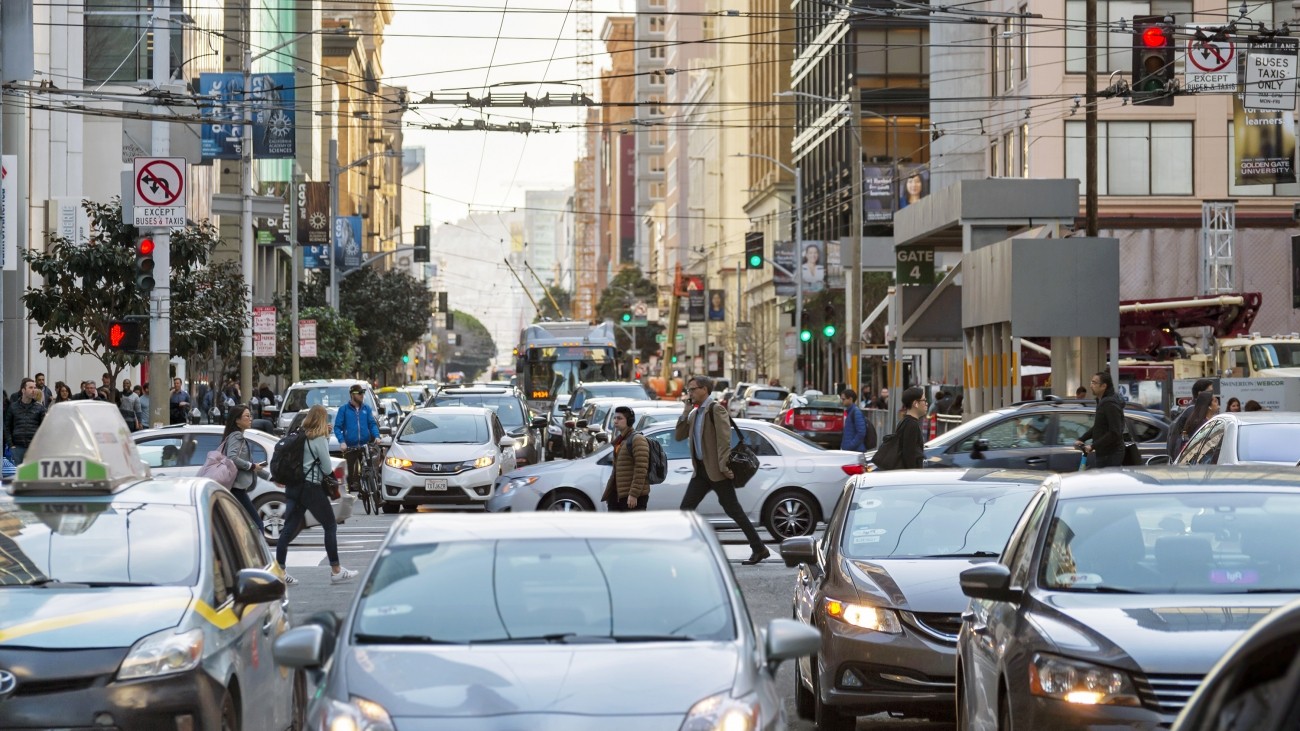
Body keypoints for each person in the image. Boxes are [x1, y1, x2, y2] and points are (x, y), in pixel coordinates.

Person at [675, 375, 770, 565]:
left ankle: (759, 548)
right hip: (701, 472)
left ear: (704, 389)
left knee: (733, 510)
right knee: (686, 509)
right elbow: (679, 436)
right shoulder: (694, 414)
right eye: (689, 390)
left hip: (717, 471)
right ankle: (685, 548)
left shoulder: (715, 410)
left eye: (692, 389)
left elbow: (724, 440)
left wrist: (724, 466)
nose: (690, 393)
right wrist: (685, 412)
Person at [276, 405, 357, 586]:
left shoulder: (300, 435)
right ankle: (336, 570)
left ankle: (280, 570)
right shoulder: (319, 438)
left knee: (288, 529)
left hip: (294, 487)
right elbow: (327, 468)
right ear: (322, 420)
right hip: (311, 489)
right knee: (329, 525)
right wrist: (325, 439)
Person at [222, 405, 268, 532]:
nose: (250, 419)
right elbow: (232, 458)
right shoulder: (237, 436)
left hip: (236, 488)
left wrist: (270, 477)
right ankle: (258, 551)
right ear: (237, 420)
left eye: (250, 415)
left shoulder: (234, 436)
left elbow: (251, 465)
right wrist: (251, 466)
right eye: (247, 416)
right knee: (257, 524)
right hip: (237, 488)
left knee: (239, 527)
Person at [601, 406, 650, 512]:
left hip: (631, 498)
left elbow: (641, 469)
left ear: (629, 421)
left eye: (619, 418)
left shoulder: (637, 439)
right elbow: (616, 471)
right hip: (617, 496)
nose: (615, 421)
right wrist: (609, 494)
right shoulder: (620, 441)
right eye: (615, 418)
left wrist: (633, 494)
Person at [334, 384, 380, 493]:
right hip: (350, 446)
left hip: (365, 445)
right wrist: (342, 442)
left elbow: (372, 424)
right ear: (352, 395)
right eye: (359, 393)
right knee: (348, 474)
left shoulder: (366, 409)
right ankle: (351, 489)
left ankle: (375, 494)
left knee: (371, 469)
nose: (362, 395)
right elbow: (337, 427)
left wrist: (377, 436)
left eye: (362, 393)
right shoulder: (344, 410)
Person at [1075, 371, 1125, 468]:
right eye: (1091, 382)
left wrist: (1093, 446)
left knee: (1108, 482)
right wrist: (1082, 439)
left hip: (1111, 454)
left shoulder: (1109, 404)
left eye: (1094, 383)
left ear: (1103, 386)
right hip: (1104, 452)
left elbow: (1114, 432)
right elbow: (1098, 427)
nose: (1091, 385)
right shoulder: (1101, 401)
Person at [1167, 378, 1213, 458]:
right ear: (1200, 394)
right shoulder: (1193, 411)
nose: (1212, 395)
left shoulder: (1196, 409)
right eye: (1210, 392)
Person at [5, 378, 46, 463]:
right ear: (23, 390)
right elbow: (7, 427)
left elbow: (44, 429)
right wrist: (11, 445)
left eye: (34, 388)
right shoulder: (13, 407)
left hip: (34, 449)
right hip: (17, 448)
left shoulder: (39, 408)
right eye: (30, 388)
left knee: (33, 475)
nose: (33, 390)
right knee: (16, 474)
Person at [894, 387, 927, 469]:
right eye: (924, 400)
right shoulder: (911, 425)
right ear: (915, 403)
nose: (926, 403)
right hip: (910, 477)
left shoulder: (906, 422)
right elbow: (909, 455)